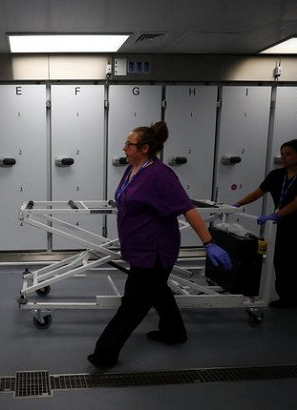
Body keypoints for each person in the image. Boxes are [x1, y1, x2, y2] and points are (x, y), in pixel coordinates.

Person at [87, 121, 232, 370]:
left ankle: (105, 354)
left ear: (144, 148)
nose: (124, 148)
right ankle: (175, 332)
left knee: (133, 304)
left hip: (155, 250)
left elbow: (187, 209)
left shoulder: (160, 175)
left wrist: (209, 243)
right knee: (159, 291)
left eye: (128, 144)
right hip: (138, 246)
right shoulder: (133, 169)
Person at [234, 139, 297, 310]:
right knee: (280, 261)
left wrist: (275, 214)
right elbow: (258, 192)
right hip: (282, 225)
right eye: (282, 154)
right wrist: (236, 205)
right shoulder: (276, 175)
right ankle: (288, 298)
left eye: (288, 154)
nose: (283, 157)